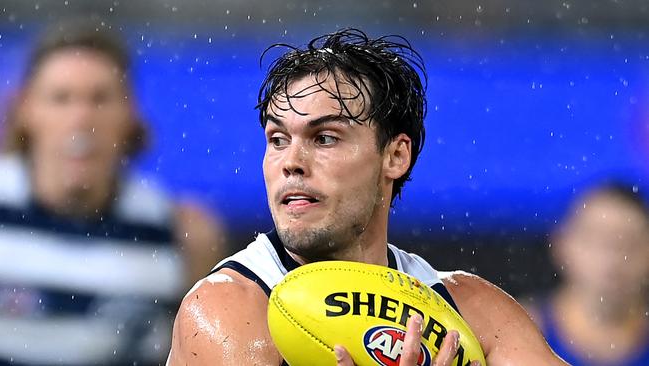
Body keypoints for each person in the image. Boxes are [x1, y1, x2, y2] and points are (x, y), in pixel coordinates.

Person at [167, 28, 566, 365]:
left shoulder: (474, 312)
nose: (292, 162)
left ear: (395, 156)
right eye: (277, 139)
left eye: (324, 138)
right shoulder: (226, 310)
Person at [0, 20, 227, 365]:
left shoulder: (186, 235)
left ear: (130, 115)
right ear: (25, 111)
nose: (80, 118)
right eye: (61, 98)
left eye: (100, 99)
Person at [523, 182, 649, 365]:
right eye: (597, 240)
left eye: (629, 243)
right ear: (562, 244)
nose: (612, 258)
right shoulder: (517, 332)